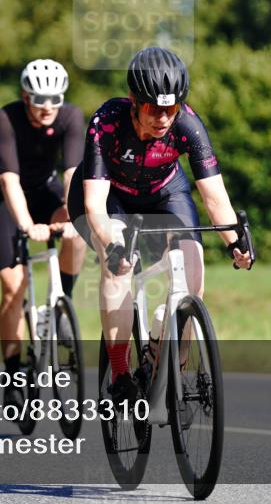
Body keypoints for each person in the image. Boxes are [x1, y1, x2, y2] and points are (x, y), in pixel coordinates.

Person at [67, 47, 252, 403]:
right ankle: (120, 373)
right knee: (118, 265)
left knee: (194, 274)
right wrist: (111, 243)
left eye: (171, 108)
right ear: (134, 101)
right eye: (154, 108)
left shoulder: (187, 124)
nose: (164, 118)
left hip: (164, 191)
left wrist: (235, 242)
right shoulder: (107, 122)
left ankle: (166, 358)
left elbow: (214, 197)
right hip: (110, 197)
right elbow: (94, 206)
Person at [0, 58, 86, 412]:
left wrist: (72, 216)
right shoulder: (6, 119)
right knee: (13, 288)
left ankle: (62, 307)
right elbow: (9, 181)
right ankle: (13, 374)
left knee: (77, 232)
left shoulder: (72, 117)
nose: (47, 107)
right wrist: (27, 225)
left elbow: (72, 173)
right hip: (4, 197)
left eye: (55, 99)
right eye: (40, 98)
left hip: (45, 189)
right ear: (25, 96)